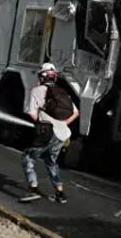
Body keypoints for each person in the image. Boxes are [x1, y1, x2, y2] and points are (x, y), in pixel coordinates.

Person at [19, 63, 79, 204]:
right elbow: (76, 113)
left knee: (27, 158)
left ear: (42, 77)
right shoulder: (62, 92)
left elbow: (32, 113)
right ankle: (60, 194)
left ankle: (33, 190)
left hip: (47, 132)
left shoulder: (37, 90)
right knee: (51, 162)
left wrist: (40, 123)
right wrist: (63, 123)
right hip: (63, 134)